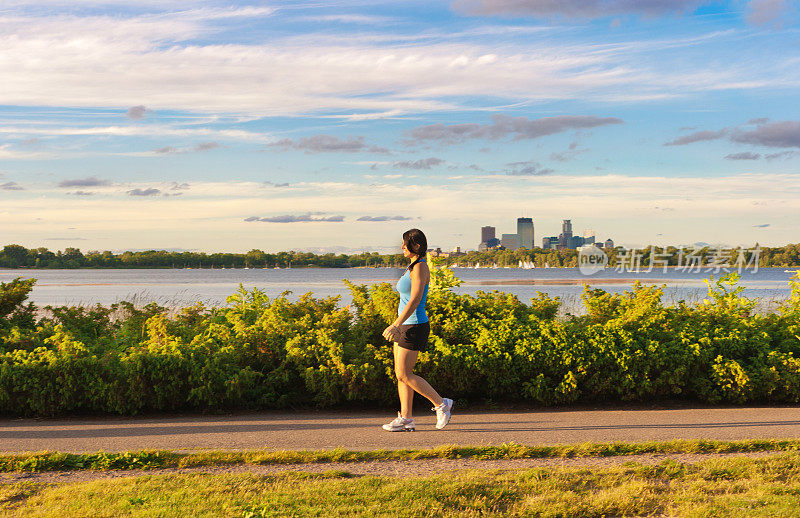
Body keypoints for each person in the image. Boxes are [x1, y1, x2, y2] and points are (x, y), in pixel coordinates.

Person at [381, 228, 453, 432]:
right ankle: (406, 419)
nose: (402, 247)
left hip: (415, 324)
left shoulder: (420, 267)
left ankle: (441, 404)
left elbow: (415, 300)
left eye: (406, 243)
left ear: (417, 246)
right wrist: (398, 324)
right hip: (405, 324)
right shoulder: (411, 266)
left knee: (405, 374)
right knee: (401, 374)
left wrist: (396, 324)